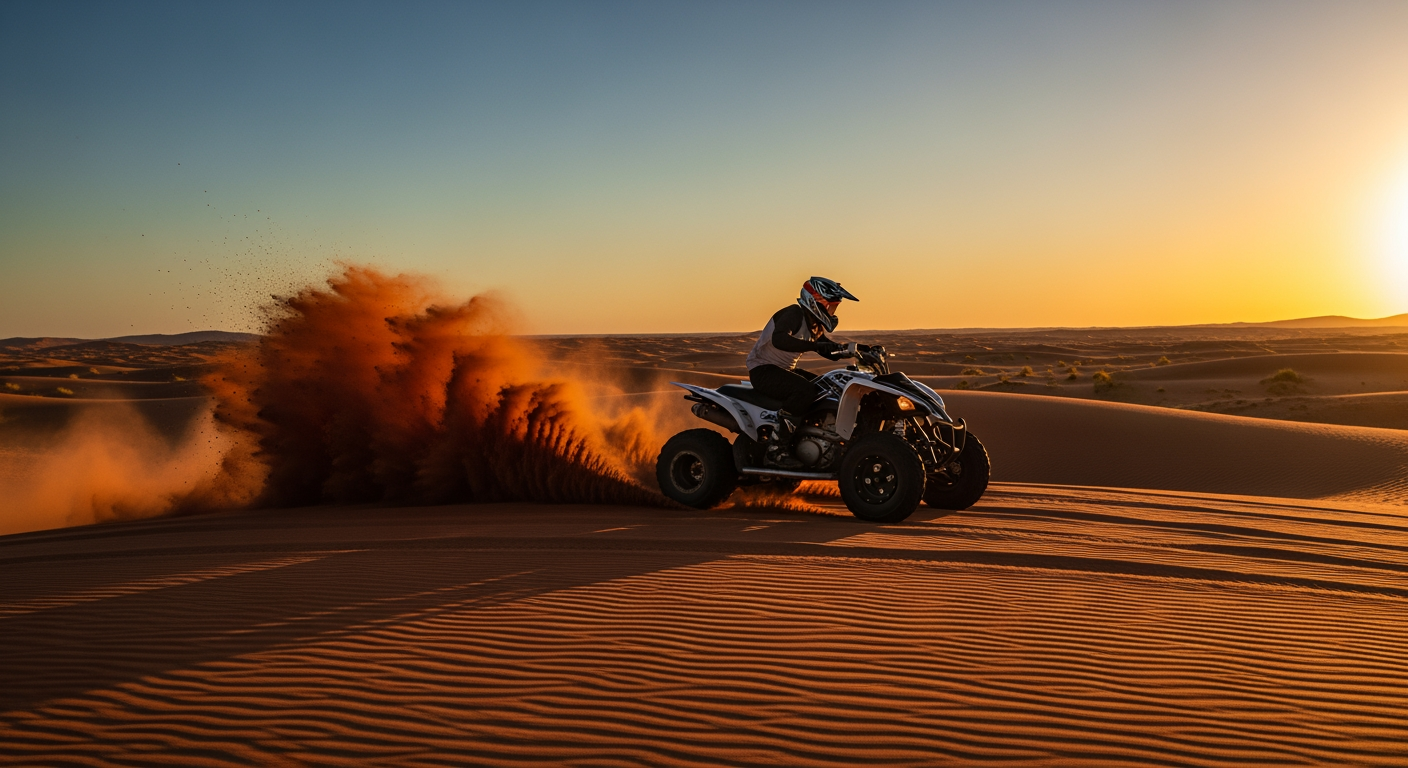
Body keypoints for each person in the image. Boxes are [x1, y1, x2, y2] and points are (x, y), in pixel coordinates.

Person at [745, 276, 859, 441]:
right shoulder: (794, 313)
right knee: (805, 391)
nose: (832, 312)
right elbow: (780, 339)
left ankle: (814, 434)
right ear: (816, 301)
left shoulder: (815, 324)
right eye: (831, 306)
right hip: (762, 370)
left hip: (783, 370)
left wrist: (856, 350)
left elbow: (827, 350)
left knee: (826, 388)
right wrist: (814, 346)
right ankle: (779, 440)